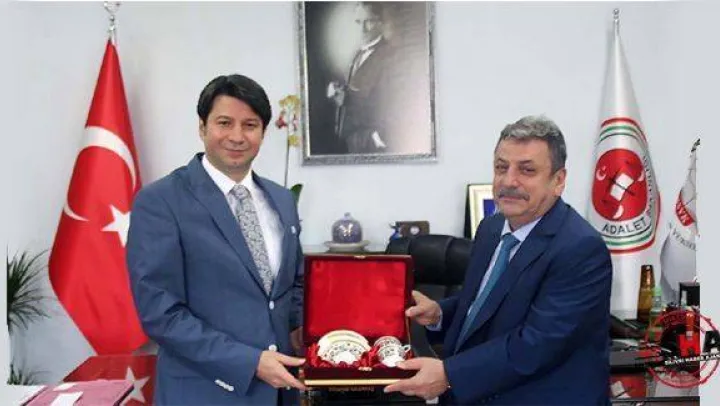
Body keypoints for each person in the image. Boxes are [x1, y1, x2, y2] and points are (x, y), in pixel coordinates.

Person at [385, 116, 613, 404]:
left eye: (527, 170)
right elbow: (486, 302)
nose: (508, 181)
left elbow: (536, 344)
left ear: (558, 181)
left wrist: (449, 374)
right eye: (501, 167)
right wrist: (439, 314)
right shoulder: (491, 229)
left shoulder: (580, 248)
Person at [126, 74, 306, 405]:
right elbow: (160, 313)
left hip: (281, 393)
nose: (237, 136)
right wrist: (249, 362)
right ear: (202, 127)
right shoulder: (161, 201)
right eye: (224, 123)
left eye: (250, 125)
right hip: (204, 392)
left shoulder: (282, 200)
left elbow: (293, 288)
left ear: (263, 132)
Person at [328, 2, 397, 154]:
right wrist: (342, 95)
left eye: (369, 21)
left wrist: (377, 137)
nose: (362, 29)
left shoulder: (390, 55)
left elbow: (394, 101)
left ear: (381, 22)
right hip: (352, 140)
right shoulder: (357, 54)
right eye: (358, 22)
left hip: (372, 144)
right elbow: (359, 91)